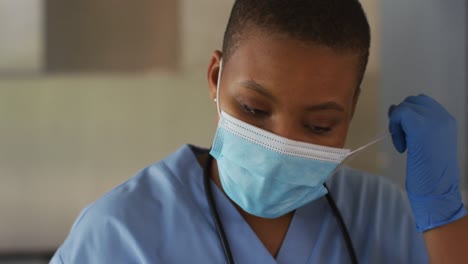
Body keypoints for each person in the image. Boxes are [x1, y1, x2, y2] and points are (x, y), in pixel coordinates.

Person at [50, 0, 468, 263]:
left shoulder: (387, 218)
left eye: (319, 125)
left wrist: (443, 217)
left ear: (351, 110)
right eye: (253, 109)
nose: (283, 143)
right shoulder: (120, 234)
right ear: (215, 77)